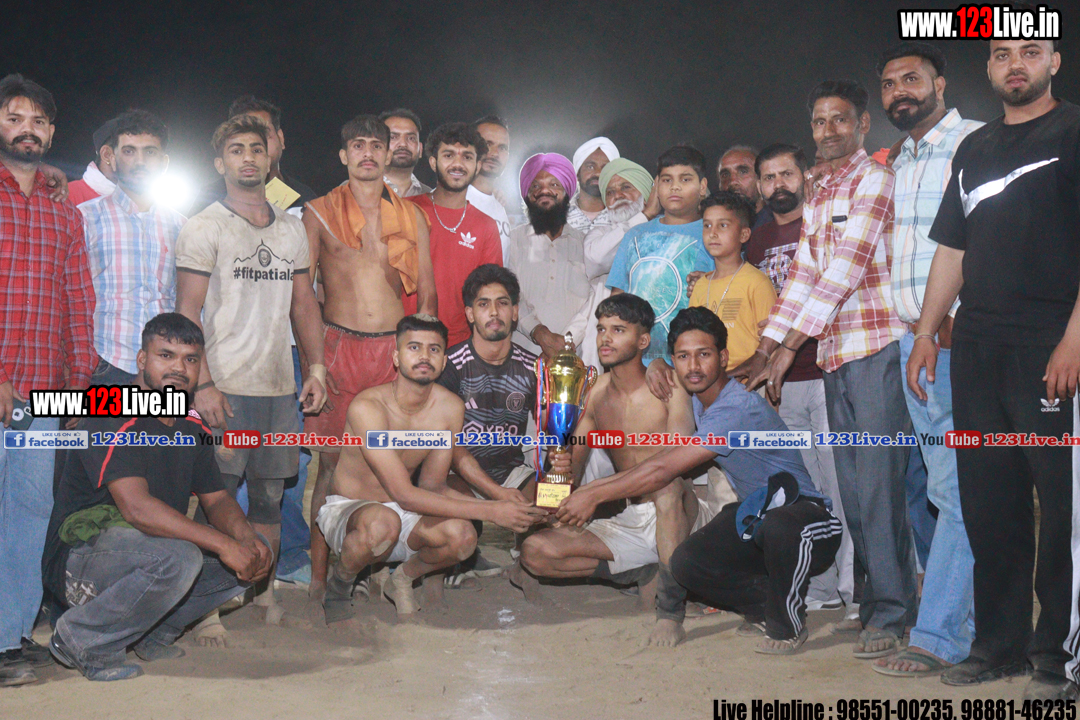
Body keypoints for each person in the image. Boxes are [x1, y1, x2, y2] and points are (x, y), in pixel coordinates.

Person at [910, 36, 1080, 701]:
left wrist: (1073, 341)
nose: (1016, 64)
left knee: (1063, 513)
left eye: (1031, 52)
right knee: (990, 506)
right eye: (1003, 53)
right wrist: (927, 332)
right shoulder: (974, 148)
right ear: (987, 68)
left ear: (1054, 63)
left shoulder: (1074, 131)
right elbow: (953, 247)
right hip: (977, 350)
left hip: (1051, 346)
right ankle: (999, 645)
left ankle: (1059, 657)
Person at [556, 307, 841, 654]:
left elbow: (663, 468)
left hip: (806, 519)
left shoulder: (736, 408)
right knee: (687, 564)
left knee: (778, 526)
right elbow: (665, 398)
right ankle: (762, 607)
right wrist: (657, 364)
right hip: (757, 519)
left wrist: (593, 493)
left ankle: (787, 625)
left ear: (723, 358)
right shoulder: (697, 401)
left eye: (703, 355)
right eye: (683, 357)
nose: (693, 366)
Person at [751, 80, 915, 660]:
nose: (828, 130)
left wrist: (788, 346)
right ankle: (871, 604)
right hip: (836, 357)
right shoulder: (820, 193)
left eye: (840, 119)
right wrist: (767, 346)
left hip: (875, 350)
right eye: (820, 121)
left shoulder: (875, 181)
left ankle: (893, 613)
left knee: (879, 489)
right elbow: (802, 275)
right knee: (851, 491)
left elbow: (844, 271)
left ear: (863, 124)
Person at [42, 313, 273, 682]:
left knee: (255, 552)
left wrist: (245, 540)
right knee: (180, 558)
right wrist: (225, 545)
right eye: (166, 355)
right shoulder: (110, 409)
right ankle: (80, 638)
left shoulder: (191, 423)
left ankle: (153, 633)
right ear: (141, 359)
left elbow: (216, 500)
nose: (179, 368)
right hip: (80, 557)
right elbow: (136, 509)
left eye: (190, 359)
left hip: (144, 552)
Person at [175, 115, 327, 631]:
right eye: (236, 149)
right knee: (215, 500)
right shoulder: (204, 226)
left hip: (278, 389)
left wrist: (316, 369)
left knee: (269, 498)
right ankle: (204, 609)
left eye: (256, 149)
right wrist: (202, 383)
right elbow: (187, 312)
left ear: (270, 158)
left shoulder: (290, 228)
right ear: (220, 163)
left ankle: (263, 594)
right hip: (225, 388)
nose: (247, 158)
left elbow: (304, 305)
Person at [871, 42, 983, 680]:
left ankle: (941, 635)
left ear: (941, 83)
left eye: (911, 78)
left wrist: (944, 328)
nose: (899, 91)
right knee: (940, 488)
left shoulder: (975, 142)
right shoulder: (898, 161)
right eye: (889, 84)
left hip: (959, 343)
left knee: (956, 490)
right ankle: (976, 624)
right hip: (913, 343)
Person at [316, 314, 546, 621]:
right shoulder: (367, 408)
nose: (424, 356)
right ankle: (339, 585)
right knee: (382, 525)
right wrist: (493, 511)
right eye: (414, 347)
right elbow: (404, 493)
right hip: (352, 511)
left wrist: (506, 503)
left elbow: (432, 486)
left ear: (444, 361)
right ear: (396, 357)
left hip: (403, 512)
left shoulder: (449, 407)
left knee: (463, 536)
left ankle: (403, 578)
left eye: (434, 349)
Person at [518, 294, 706, 646]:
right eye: (602, 329)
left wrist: (595, 493)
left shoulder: (670, 386)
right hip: (632, 517)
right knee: (535, 552)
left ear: (643, 340)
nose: (605, 338)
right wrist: (559, 474)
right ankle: (641, 570)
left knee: (666, 489)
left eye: (618, 330)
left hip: (682, 513)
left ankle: (671, 612)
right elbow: (573, 467)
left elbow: (672, 463)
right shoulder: (596, 393)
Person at [302, 114, 436, 608]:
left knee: (393, 465)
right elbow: (303, 296)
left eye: (376, 145)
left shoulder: (411, 215)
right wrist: (315, 363)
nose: (367, 153)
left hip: (394, 352)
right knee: (331, 466)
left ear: (386, 154)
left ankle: (372, 569)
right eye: (357, 145)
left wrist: (421, 356)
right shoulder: (318, 212)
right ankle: (319, 578)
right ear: (344, 155)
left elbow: (427, 295)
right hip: (340, 348)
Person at [727, 143, 857, 620]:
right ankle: (820, 585)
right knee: (805, 489)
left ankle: (854, 589)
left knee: (842, 484)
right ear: (760, 187)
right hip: (779, 386)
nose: (778, 184)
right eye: (769, 177)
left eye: (786, 174)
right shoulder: (758, 238)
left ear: (805, 176)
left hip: (824, 372)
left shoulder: (822, 224)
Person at [0, 74, 97, 688]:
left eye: (38, 120)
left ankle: (8, 636)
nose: (27, 129)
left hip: (41, 398)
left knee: (31, 512)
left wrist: (76, 383)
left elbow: (77, 300)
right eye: (14, 117)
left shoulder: (64, 211)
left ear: (52, 132)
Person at [437, 265, 538, 581]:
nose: (494, 312)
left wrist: (559, 468)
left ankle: (527, 557)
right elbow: (449, 447)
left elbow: (554, 433)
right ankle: (460, 559)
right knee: (457, 526)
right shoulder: (449, 367)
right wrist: (496, 494)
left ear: (515, 311)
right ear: (470, 313)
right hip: (457, 474)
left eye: (502, 303)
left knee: (553, 501)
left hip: (511, 472)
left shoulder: (534, 368)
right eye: (483, 304)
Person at [80, 109, 184, 386]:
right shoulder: (85, 218)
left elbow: (187, 301)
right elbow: (69, 298)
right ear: (111, 158)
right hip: (103, 364)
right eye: (129, 151)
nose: (140, 161)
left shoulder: (182, 226)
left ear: (164, 162)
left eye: (150, 152)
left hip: (166, 369)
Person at [606, 145, 713, 366]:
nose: (675, 187)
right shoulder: (635, 235)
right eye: (666, 180)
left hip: (692, 364)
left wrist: (709, 284)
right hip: (636, 364)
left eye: (685, 179)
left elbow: (730, 287)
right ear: (656, 186)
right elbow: (616, 302)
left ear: (702, 186)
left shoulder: (714, 233)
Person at [402, 122, 502, 346]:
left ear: (477, 166)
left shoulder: (486, 226)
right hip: (404, 339)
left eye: (467, 157)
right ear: (433, 162)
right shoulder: (406, 210)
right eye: (448, 155)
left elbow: (488, 295)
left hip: (460, 346)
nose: (458, 164)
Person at [565, 158, 656, 370]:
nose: (618, 196)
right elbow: (597, 259)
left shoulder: (664, 235)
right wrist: (644, 216)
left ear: (646, 192)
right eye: (610, 192)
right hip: (604, 350)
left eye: (626, 187)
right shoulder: (600, 234)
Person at [505, 153, 591, 360]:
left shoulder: (587, 245)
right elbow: (508, 294)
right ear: (526, 196)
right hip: (519, 357)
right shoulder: (512, 241)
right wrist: (539, 332)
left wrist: (566, 342)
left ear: (567, 193)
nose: (544, 191)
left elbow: (593, 303)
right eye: (535, 186)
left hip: (574, 357)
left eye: (554, 184)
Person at [687, 191, 776, 371]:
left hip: (747, 380)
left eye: (723, 225)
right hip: (708, 379)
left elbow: (772, 346)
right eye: (707, 225)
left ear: (744, 235)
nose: (712, 233)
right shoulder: (701, 285)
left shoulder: (757, 283)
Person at [190, 95, 317, 215]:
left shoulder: (306, 198)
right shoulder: (209, 198)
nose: (254, 144)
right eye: (243, 138)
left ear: (281, 138)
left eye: (263, 134)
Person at [467, 116, 513, 256]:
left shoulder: (500, 205)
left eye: (502, 148)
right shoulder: (449, 200)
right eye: (487, 144)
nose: (494, 153)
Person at [568, 137, 620, 233]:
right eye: (590, 167)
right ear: (577, 174)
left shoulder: (626, 216)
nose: (598, 173)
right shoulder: (557, 215)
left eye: (606, 168)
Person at [380, 108, 432, 198]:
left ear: (420, 149)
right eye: (393, 137)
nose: (403, 144)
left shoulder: (431, 197)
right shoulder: (357, 191)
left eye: (411, 138)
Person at [717, 145, 772, 228]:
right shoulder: (715, 229)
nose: (732, 182)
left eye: (743, 172)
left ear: (761, 179)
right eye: (725, 174)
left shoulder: (779, 224)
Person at [67, 117, 117, 205]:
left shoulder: (140, 199)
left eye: (143, 151)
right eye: (129, 151)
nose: (141, 160)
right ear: (106, 155)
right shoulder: (67, 195)